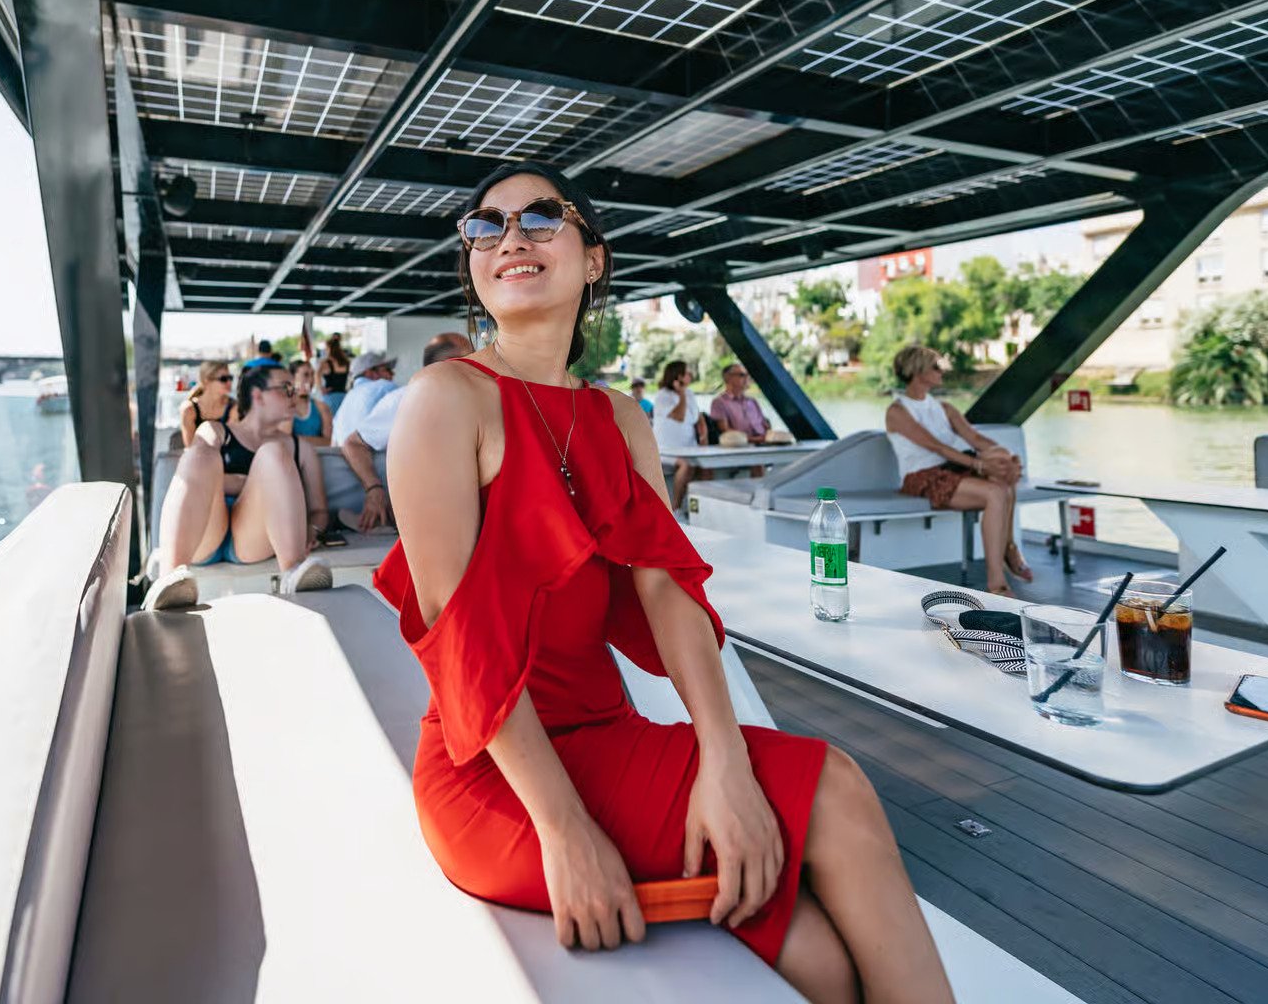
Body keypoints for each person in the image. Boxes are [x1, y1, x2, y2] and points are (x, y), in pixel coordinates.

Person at [374, 160, 951, 1000]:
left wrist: (724, 758)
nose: (510, 238)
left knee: (821, 961)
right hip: (498, 773)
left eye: (540, 217)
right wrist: (566, 829)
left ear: (593, 257)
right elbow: (460, 643)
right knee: (835, 789)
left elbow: (666, 590)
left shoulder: (619, 417)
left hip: (611, 733)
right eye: (486, 225)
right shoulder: (445, 399)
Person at [146, 362, 336, 607]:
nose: (296, 394)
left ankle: (293, 570)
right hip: (206, 529)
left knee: (273, 453)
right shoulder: (217, 430)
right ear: (258, 395)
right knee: (200, 451)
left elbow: (320, 510)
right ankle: (169, 578)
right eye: (286, 388)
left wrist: (313, 530)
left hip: (254, 536)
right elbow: (195, 474)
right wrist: (251, 484)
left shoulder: (301, 448)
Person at [885, 343, 1030, 596]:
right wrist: (980, 464)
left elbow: (975, 438)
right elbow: (936, 446)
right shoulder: (897, 411)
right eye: (936, 366)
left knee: (1004, 473)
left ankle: (1009, 547)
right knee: (995, 492)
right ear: (918, 371)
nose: (942, 371)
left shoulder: (944, 408)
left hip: (952, 469)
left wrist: (1006, 456)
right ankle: (997, 583)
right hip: (922, 476)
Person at [340, 332, 473, 533]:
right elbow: (353, 443)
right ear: (448, 365)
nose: (480, 367)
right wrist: (374, 489)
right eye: (472, 361)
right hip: (432, 515)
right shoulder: (405, 398)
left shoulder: (473, 401)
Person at [651, 360, 707, 511]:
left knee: (706, 466)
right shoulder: (663, 396)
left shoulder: (690, 393)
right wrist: (681, 394)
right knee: (685, 465)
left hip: (688, 447)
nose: (691, 375)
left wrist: (703, 436)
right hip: (665, 450)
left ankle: (700, 508)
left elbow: (697, 416)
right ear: (678, 376)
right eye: (687, 373)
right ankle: (674, 508)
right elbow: (679, 416)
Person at [709, 364, 772, 480]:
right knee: (757, 458)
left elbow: (765, 425)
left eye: (748, 375)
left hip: (763, 442)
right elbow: (725, 431)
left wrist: (770, 437)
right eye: (742, 375)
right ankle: (760, 494)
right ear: (728, 378)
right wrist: (754, 439)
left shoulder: (752, 401)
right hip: (740, 446)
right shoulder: (719, 402)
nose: (747, 378)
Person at [330, 350, 398, 446]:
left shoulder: (344, 404)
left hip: (347, 458)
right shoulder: (384, 387)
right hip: (380, 458)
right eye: (387, 369)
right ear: (369, 373)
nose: (392, 374)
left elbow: (334, 445)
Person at [178, 359, 234, 448]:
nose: (229, 382)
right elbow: (190, 448)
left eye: (230, 378)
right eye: (224, 379)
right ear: (206, 381)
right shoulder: (189, 409)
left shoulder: (233, 407)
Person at [289, 359, 334, 446]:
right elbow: (282, 441)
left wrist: (294, 439)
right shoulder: (283, 407)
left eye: (312, 375)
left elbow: (329, 442)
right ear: (292, 379)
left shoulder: (322, 407)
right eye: (306, 375)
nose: (311, 380)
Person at [320, 333, 352, 419]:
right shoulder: (346, 362)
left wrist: (320, 388)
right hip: (344, 397)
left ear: (329, 348)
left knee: (329, 424)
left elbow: (316, 374)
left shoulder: (325, 363)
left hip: (330, 398)